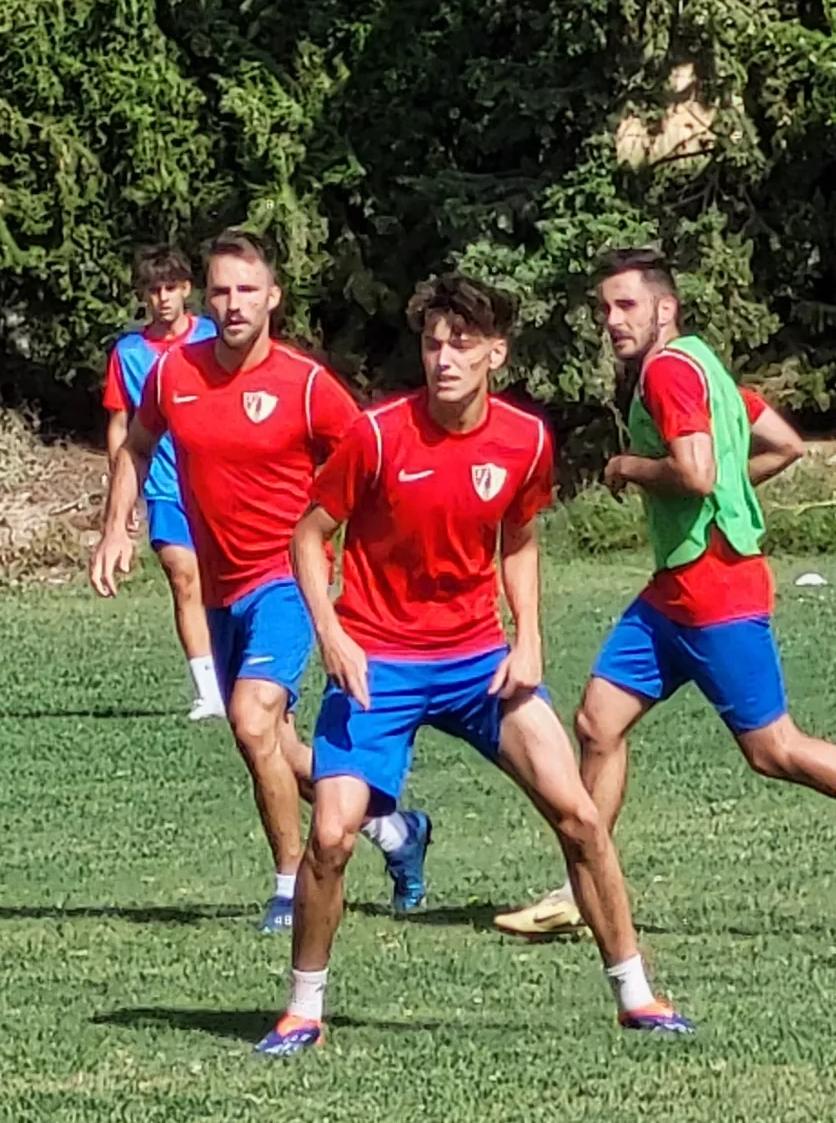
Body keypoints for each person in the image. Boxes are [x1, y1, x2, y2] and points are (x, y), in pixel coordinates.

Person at [263, 276, 686, 1054]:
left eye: (462, 344)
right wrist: (332, 632)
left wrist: (528, 633)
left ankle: (636, 994)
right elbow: (308, 535)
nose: (444, 359)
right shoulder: (379, 434)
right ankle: (303, 1009)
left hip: (478, 663)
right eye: (432, 344)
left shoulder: (525, 440)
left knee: (581, 816)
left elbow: (519, 539)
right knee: (330, 838)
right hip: (378, 663)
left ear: (496, 353)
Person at [496, 249, 826, 938]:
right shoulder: (701, 361)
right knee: (597, 723)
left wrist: (627, 465)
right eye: (603, 308)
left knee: (775, 750)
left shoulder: (669, 372)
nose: (611, 320)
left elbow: (698, 474)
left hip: (714, 592)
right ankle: (579, 887)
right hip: (675, 589)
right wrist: (724, 493)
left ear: (664, 309)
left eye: (626, 306)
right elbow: (784, 445)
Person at [90, 230, 366, 931]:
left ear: (273, 297)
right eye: (222, 290)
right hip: (222, 587)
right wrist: (116, 526)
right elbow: (138, 444)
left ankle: (288, 883)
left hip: (287, 580)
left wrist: (359, 545)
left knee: (249, 721)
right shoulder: (175, 374)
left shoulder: (304, 384)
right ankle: (394, 830)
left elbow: (369, 458)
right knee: (273, 741)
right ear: (206, 298)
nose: (234, 303)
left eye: (248, 290)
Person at [105, 246, 226, 720]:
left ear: (187, 291)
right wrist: (121, 492)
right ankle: (207, 690)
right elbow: (121, 425)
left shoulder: (213, 339)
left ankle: (240, 675)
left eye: (171, 288)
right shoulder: (129, 353)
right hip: (163, 484)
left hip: (218, 483)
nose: (162, 298)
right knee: (183, 576)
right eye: (153, 290)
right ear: (142, 296)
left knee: (225, 584)